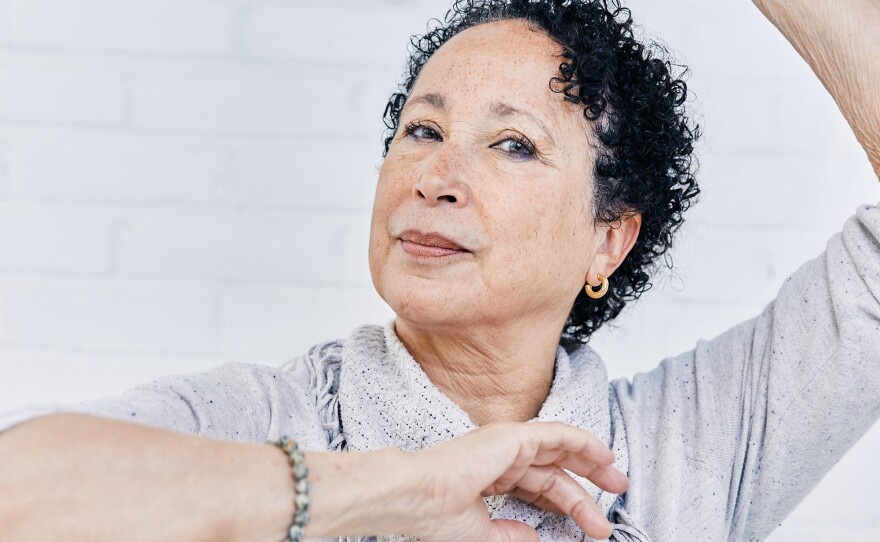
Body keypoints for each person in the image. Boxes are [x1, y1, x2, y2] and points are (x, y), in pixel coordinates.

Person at [0, 0, 878, 540]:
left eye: (511, 144)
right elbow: (18, 495)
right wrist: (396, 489)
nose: (435, 178)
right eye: (422, 130)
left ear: (607, 239)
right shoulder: (274, 419)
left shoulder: (691, 448)